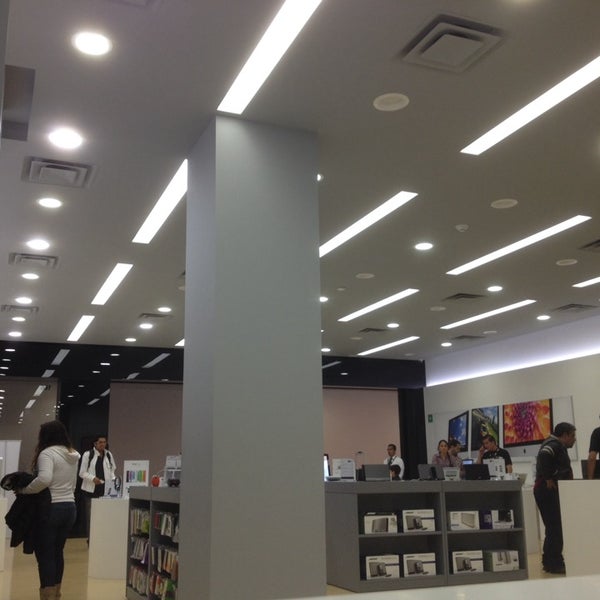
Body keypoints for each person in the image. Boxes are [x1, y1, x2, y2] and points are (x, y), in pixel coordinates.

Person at [18, 420, 80, 600]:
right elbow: (73, 484)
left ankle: (47, 595)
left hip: (51, 508)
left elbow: (44, 479)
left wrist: (25, 490)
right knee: (57, 552)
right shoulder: (73, 454)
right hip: (70, 507)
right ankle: (56, 593)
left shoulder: (47, 453)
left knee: (45, 554)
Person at [534, 421, 576, 575]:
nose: (574, 439)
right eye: (572, 436)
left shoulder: (553, 443)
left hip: (545, 491)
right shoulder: (554, 445)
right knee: (556, 528)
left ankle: (549, 562)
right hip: (547, 491)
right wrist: (548, 478)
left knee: (553, 528)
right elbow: (545, 454)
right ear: (564, 435)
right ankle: (555, 563)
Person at [79, 435, 116, 542]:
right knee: (91, 518)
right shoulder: (88, 454)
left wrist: (113, 480)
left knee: (105, 517)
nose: (103, 444)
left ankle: (102, 540)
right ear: (95, 443)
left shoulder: (108, 454)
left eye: (104, 442)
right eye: (100, 442)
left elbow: (112, 469)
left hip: (105, 491)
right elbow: (82, 473)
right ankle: (91, 540)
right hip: (91, 491)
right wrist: (92, 478)